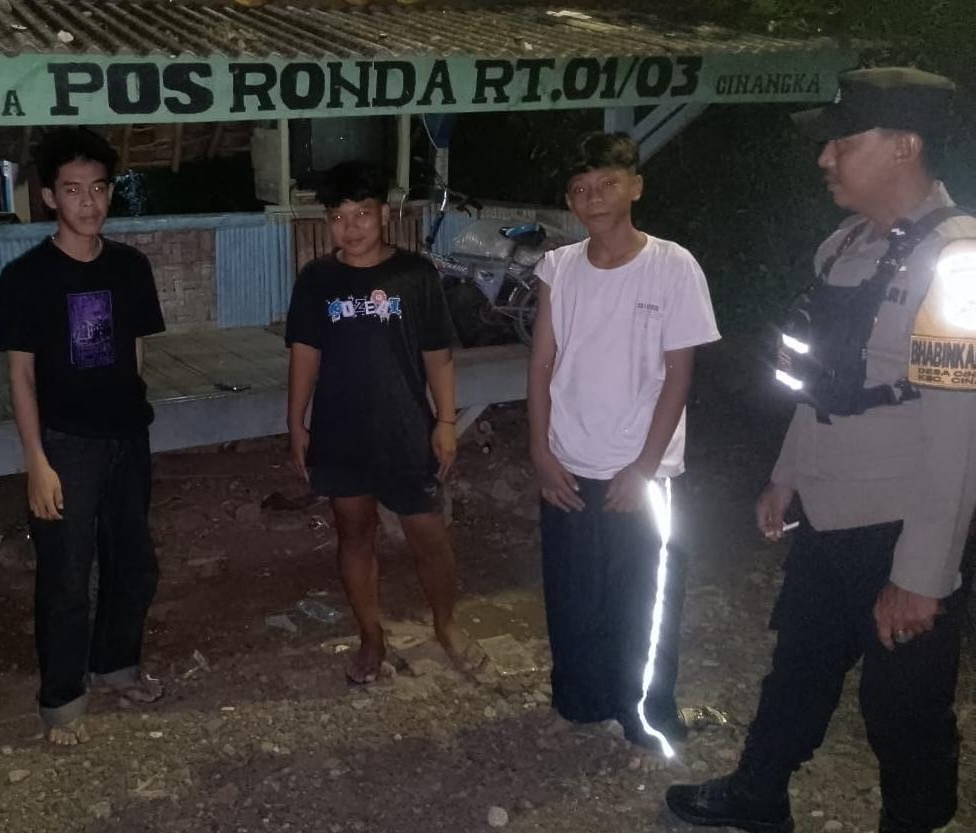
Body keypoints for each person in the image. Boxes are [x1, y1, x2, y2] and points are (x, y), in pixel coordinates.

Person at [666, 67, 976, 833]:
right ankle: (758, 795)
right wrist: (786, 474)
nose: (824, 157)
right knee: (798, 664)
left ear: (904, 146)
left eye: (843, 141)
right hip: (831, 509)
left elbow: (960, 434)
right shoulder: (845, 247)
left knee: (903, 704)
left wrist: (922, 575)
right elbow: (823, 383)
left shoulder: (957, 261)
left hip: (901, 522)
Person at [527, 132, 720, 752]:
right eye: (580, 189)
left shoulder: (673, 265)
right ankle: (579, 702)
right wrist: (540, 452)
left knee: (645, 597)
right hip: (568, 460)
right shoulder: (559, 268)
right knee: (573, 592)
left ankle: (646, 717)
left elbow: (678, 374)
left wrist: (643, 468)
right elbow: (541, 364)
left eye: (607, 183)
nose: (594, 198)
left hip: (642, 469)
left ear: (635, 186)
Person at [0, 127, 166, 746]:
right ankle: (61, 698)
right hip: (66, 445)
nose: (88, 203)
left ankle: (116, 666)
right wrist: (36, 461)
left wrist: (129, 413)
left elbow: (135, 351)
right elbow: (21, 376)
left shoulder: (130, 267)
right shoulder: (26, 277)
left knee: (133, 562)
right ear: (48, 197)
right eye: (72, 190)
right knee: (65, 574)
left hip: (127, 439)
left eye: (97, 189)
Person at [285, 161, 484, 684]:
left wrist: (445, 421)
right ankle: (371, 637)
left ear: (384, 216)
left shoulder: (414, 275)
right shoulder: (317, 280)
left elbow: (438, 354)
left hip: (404, 428)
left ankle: (447, 625)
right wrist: (296, 424)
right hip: (339, 432)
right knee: (354, 533)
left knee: (430, 536)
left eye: (362, 214)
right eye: (338, 217)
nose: (351, 227)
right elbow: (304, 354)